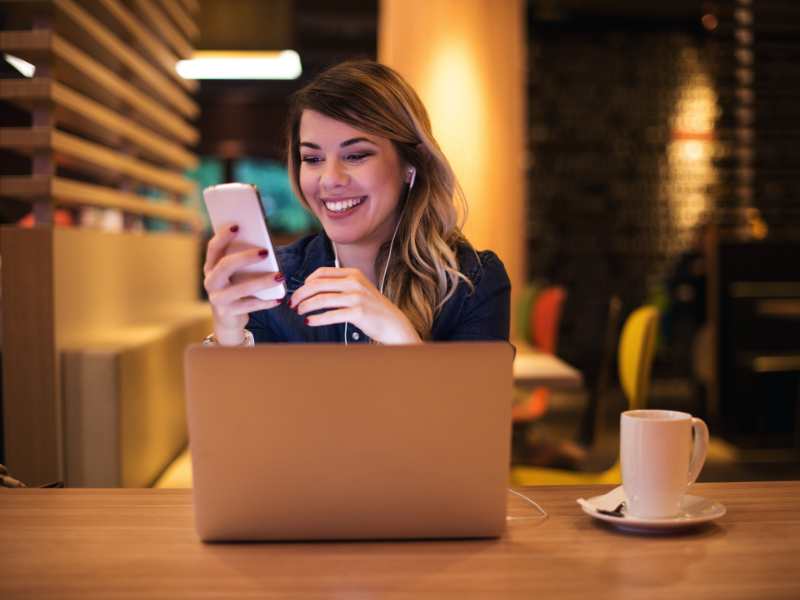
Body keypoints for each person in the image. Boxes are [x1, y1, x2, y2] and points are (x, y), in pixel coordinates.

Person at [203, 60, 510, 346]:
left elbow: (473, 406)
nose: (329, 179)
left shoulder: (472, 284)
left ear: (410, 165)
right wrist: (229, 334)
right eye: (312, 158)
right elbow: (245, 404)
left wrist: (398, 334)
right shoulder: (273, 283)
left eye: (356, 155)